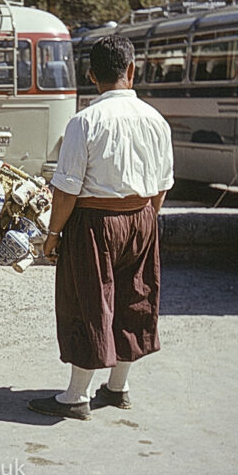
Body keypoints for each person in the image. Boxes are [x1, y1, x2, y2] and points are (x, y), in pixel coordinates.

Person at [28, 35, 174, 420]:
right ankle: (117, 387)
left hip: (94, 222)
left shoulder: (84, 121)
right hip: (142, 217)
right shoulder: (157, 121)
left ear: (91, 75)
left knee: (88, 302)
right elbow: (162, 186)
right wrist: (144, 220)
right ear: (131, 70)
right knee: (134, 298)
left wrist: (53, 235)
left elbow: (67, 191)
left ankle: (77, 396)